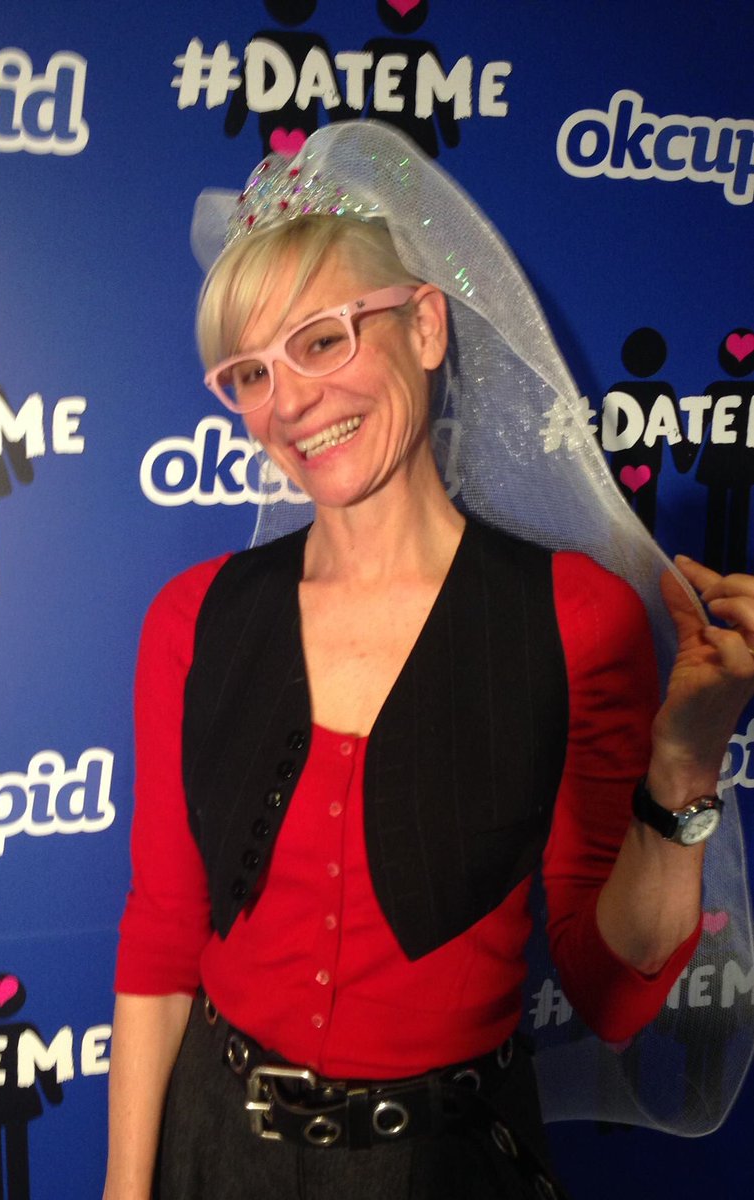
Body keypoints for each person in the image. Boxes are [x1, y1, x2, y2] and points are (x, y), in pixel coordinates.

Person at [102, 121, 754, 1200]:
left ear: (424, 325)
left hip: (447, 1166)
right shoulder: (191, 619)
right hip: (213, 1151)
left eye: (322, 340)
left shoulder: (577, 618)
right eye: (249, 373)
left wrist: (683, 764)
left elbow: (613, 992)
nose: (288, 402)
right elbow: (164, 939)